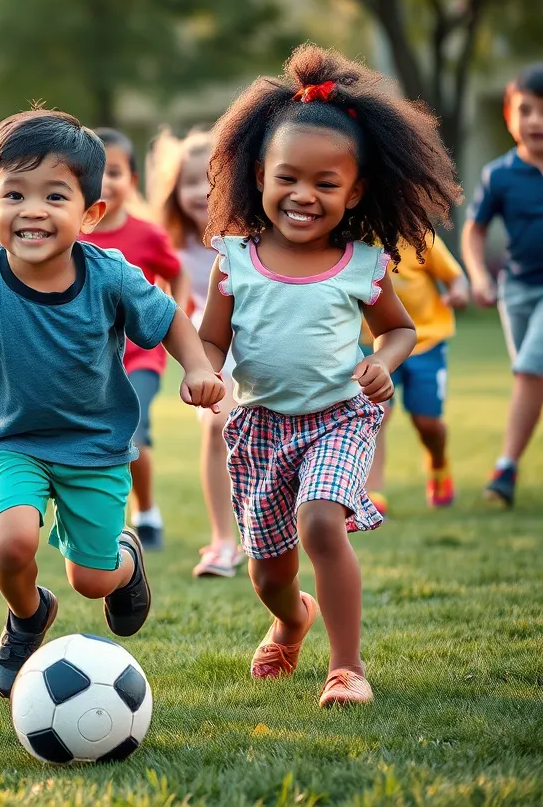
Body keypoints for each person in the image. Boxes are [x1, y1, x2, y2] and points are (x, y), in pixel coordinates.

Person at [0, 108, 224, 698]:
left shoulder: (110, 275)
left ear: (90, 214)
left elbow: (167, 319)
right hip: (10, 441)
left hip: (95, 445)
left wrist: (197, 366)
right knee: (11, 541)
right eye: (14, 193)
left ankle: (124, 561)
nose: (33, 209)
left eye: (55, 195)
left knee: (91, 580)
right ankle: (27, 615)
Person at [199, 44, 459, 707]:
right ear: (259, 175)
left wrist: (382, 360)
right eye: (289, 178)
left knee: (321, 523)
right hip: (259, 426)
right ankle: (291, 618)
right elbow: (209, 339)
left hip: (339, 418)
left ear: (356, 190)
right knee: (269, 571)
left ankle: (347, 669)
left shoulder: (362, 265)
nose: (304, 196)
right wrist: (204, 376)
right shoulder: (237, 261)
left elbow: (400, 330)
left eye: (325, 183)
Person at [81, 127, 191, 550]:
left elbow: (176, 270)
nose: (105, 182)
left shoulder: (147, 235)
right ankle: (101, 521)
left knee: (134, 434)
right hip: (88, 358)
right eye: (95, 173)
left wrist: (175, 314)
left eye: (115, 172)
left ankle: (146, 513)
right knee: (98, 437)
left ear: (132, 181)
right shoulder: (71, 235)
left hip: (140, 354)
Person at [150, 129, 244, 578]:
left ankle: (265, 533)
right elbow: (169, 309)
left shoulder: (254, 237)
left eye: (212, 183)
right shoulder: (173, 248)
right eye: (189, 182)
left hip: (265, 343)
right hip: (210, 350)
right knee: (217, 427)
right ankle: (223, 540)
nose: (200, 194)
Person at [462, 63, 543, 508]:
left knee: (532, 368)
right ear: (510, 115)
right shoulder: (500, 174)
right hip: (516, 290)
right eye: (526, 110)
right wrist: (478, 275)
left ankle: (505, 469)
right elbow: (474, 229)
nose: (536, 121)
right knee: (533, 376)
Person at [362, 238, 469, 515]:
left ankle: (437, 462)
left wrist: (458, 292)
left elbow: (455, 277)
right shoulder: (353, 236)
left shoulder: (420, 238)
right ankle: (373, 492)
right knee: (376, 414)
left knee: (428, 423)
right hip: (373, 344)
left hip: (426, 344)